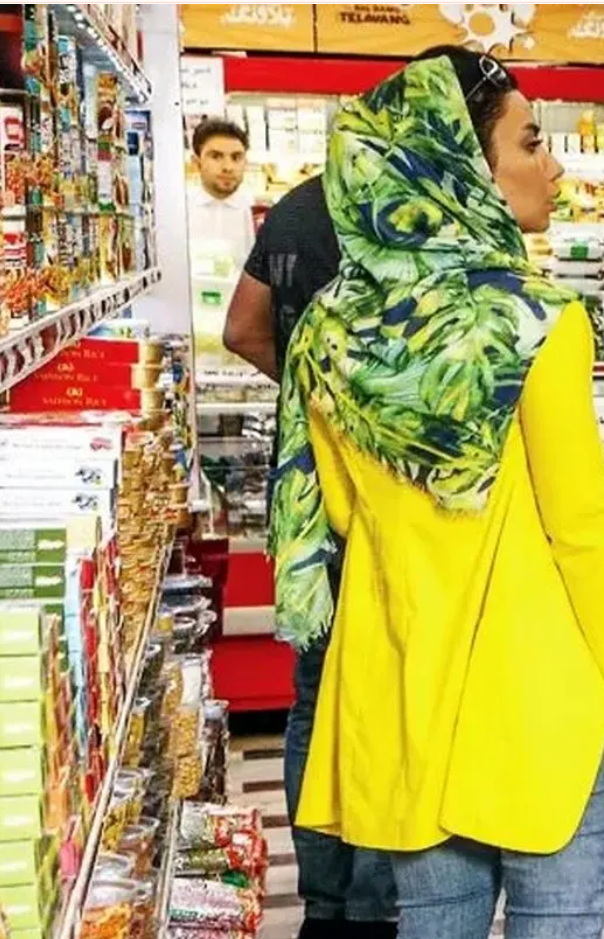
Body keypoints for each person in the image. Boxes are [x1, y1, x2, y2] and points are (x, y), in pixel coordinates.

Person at [269, 48, 604, 939]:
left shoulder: (327, 333)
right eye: (531, 142)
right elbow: (582, 529)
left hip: (403, 688)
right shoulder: (539, 322)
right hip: (543, 692)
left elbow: (339, 514)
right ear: (465, 167)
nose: (554, 166)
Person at [223, 175, 397, 939]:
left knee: (313, 696)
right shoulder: (409, 203)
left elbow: (241, 328)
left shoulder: (295, 208)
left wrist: (308, 392)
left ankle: (325, 903)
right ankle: (373, 902)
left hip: (307, 493)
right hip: (385, 493)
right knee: (386, 693)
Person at [187, 118, 256, 271]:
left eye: (236, 157)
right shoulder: (178, 214)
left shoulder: (259, 215)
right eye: (216, 156)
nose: (228, 167)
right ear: (196, 162)